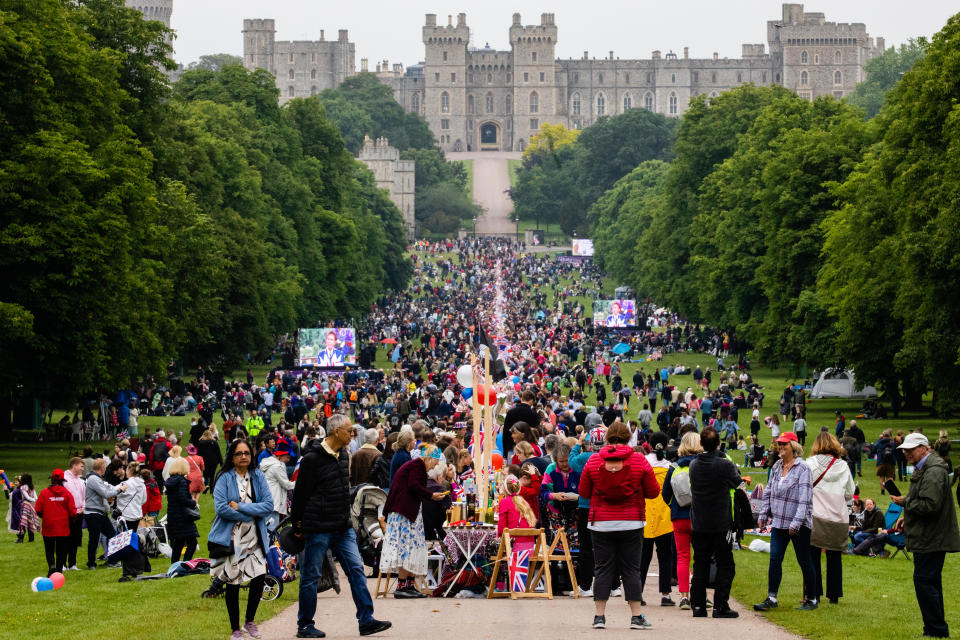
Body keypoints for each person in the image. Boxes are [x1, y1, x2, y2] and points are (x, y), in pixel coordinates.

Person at [290, 413, 391, 638]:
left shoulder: (345, 454)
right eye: (348, 431)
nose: (352, 435)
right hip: (317, 526)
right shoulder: (311, 459)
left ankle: (366, 620)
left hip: (342, 526)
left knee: (356, 569)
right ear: (336, 431)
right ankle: (305, 624)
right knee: (311, 575)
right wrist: (298, 526)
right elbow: (300, 495)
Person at [577, 421, 660, 630]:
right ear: (628, 437)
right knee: (631, 569)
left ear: (607, 438)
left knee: (603, 568)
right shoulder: (639, 460)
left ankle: (599, 616)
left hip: (601, 522)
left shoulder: (594, 461)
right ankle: (636, 615)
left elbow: (584, 492)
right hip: (631, 521)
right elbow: (653, 491)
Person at [890, 433, 960, 639]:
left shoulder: (934, 471)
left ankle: (936, 629)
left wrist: (905, 503)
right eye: (904, 449)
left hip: (932, 537)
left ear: (924, 448)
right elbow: (923, 500)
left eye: (910, 449)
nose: (906, 452)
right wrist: (908, 516)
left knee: (924, 581)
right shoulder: (927, 468)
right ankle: (934, 629)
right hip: (928, 535)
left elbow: (930, 505)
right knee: (930, 581)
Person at [209, 439, 274, 640]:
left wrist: (242, 507)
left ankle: (249, 621)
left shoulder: (258, 477)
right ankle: (235, 628)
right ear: (232, 456)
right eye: (239, 453)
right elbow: (221, 508)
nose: (243, 456)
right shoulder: (224, 478)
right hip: (232, 538)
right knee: (233, 580)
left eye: (246, 453)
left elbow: (268, 505)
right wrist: (248, 515)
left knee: (259, 576)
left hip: (255, 536)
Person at [754, 432, 818, 612]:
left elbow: (805, 499)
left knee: (804, 560)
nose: (780, 447)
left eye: (785, 444)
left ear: (794, 447)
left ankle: (812, 599)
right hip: (779, 522)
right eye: (779, 444)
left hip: (798, 524)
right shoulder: (776, 466)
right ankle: (771, 598)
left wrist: (796, 523)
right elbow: (768, 492)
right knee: (774, 558)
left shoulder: (803, 468)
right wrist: (762, 514)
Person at [381, 444, 447, 597]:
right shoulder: (417, 466)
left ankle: (408, 585)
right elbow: (413, 485)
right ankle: (402, 586)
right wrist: (431, 495)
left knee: (413, 547)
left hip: (407, 510)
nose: (434, 467)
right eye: (435, 463)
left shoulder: (415, 466)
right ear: (430, 458)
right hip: (404, 512)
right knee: (407, 548)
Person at [688, 426, 741, 618]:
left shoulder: (694, 465)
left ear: (701, 443)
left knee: (700, 562)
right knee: (725, 563)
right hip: (720, 522)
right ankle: (720, 605)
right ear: (718, 443)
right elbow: (736, 482)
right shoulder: (724, 464)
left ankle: (698, 606)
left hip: (700, 522)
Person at [805, 431, 855, 604]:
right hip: (838, 516)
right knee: (835, 557)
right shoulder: (843, 466)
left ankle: (815, 593)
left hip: (816, 515)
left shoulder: (810, 463)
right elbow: (850, 493)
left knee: (813, 555)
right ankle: (834, 595)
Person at [662, 431, 701, 610]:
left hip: (680, 516)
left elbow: (665, 494)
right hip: (700, 516)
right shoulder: (702, 465)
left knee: (682, 557)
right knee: (701, 557)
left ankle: (684, 596)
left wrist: (674, 506)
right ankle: (701, 594)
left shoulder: (674, 467)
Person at [640, 443, 676, 606]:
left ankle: (637, 592)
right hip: (664, 514)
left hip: (645, 513)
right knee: (665, 556)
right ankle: (666, 594)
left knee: (643, 556)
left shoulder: (644, 464)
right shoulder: (669, 467)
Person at [84, 458, 127, 569]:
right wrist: (120, 490)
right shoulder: (93, 479)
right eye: (105, 466)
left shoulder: (98, 478)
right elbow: (106, 493)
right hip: (94, 513)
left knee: (112, 535)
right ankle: (91, 563)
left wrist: (119, 487)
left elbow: (109, 488)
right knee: (94, 538)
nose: (106, 469)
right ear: (102, 467)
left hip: (101, 513)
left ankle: (111, 560)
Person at [35, 469, 76, 576]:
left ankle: (51, 566)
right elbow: (72, 511)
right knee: (61, 550)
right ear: (62, 481)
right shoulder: (67, 493)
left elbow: (38, 509)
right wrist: (72, 520)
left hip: (49, 526)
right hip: (63, 526)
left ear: (52, 479)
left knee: (49, 549)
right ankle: (59, 570)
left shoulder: (44, 492)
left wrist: (45, 516)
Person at [165, 458, 199, 563]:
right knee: (192, 543)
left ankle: (174, 564)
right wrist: (193, 502)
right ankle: (186, 563)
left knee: (178, 542)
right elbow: (182, 498)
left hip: (173, 515)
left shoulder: (170, 481)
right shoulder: (182, 481)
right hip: (183, 516)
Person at [260, 439, 295, 520]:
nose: (288, 460)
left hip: (267, 500)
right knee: (271, 530)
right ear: (281, 455)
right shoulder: (277, 466)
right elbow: (287, 485)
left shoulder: (272, 463)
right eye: (287, 457)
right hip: (273, 502)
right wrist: (300, 482)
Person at [63, 458, 85, 570]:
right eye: (81, 466)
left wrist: (83, 506)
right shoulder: (65, 479)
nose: (83, 469)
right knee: (66, 538)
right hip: (67, 514)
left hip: (79, 513)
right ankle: (63, 564)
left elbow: (83, 496)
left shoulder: (81, 481)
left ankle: (72, 563)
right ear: (75, 465)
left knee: (76, 539)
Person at [117, 462, 147, 531]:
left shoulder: (125, 484)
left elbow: (116, 493)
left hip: (126, 515)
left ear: (128, 470)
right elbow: (144, 500)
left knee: (124, 537)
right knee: (133, 535)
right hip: (137, 514)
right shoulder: (142, 484)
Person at [13, 473, 39, 543]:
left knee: (23, 522)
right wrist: (34, 501)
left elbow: (26, 497)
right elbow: (36, 497)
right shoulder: (32, 487)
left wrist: (31, 500)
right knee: (30, 521)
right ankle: (31, 539)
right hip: (32, 506)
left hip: (25, 505)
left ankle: (21, 539)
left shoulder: (23, 487)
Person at [198, 428, 223, 493]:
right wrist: (221, 462)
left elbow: (199, 453)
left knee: (205, 474)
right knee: (212, 475)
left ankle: (206, 485)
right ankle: (212, 489)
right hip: (214, 461)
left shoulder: (201, 442)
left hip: (204, 461)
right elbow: (218, 452)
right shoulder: (214, 442)